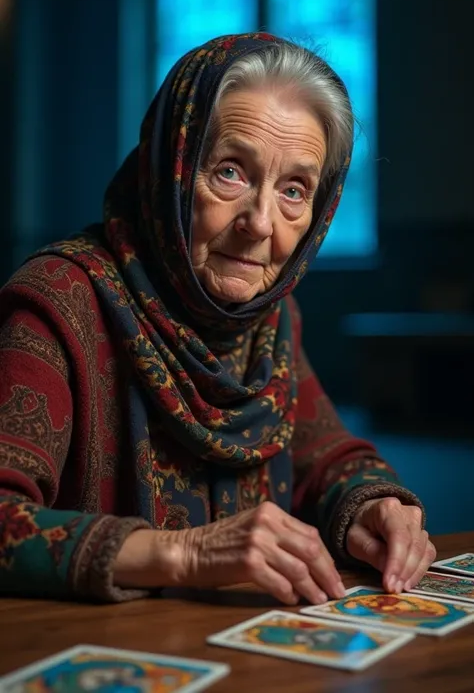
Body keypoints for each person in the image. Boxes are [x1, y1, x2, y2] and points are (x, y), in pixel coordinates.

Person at [0, 32, 435, 604]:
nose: (259, 223)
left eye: (294, 190)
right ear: (171, 169)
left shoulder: (269, 321)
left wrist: (374, 506)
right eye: (230, 171)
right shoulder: (59, 301)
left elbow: (324, 456)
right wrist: (188, 553)